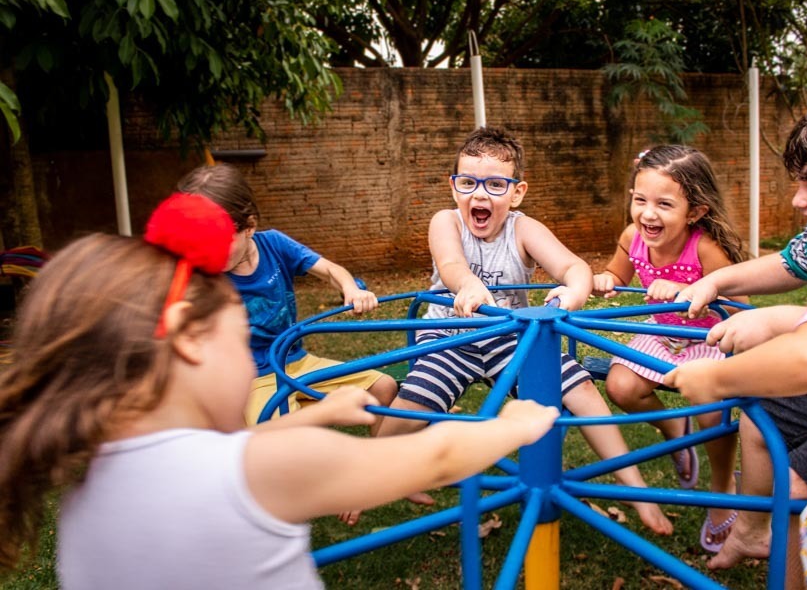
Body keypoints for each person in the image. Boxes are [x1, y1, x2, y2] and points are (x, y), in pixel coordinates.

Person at [0, 193, 561, 589]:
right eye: (237, 333)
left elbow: (232, 455)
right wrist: (512, 426)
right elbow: (435, 455)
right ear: (190, 342)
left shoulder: (89, 483)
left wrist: (318, 414)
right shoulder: (265, 470)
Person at [375, 126, 673, 535]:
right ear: (453, 187)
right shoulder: (445, 221)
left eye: (495, 185)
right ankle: (373, 474)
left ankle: (635, 490)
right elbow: (450, 265)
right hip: (451, 334)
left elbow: (574, 267)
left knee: (582, 390)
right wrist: (467, 284)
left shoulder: (522, 228)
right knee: (416, 404)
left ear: (517, 192)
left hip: (512, 338)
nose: (480, 196)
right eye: (468, 183)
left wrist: (573, 291)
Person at [664, 77, 807, 589]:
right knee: (768, 425)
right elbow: (787, 265)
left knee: (793, 483)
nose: (797, 200)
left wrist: (723, 374)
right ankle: (752, 530)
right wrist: (718, 280)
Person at [592, 145, 748, 553]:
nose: (647, 214)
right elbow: (616, 271)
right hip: (662, 334)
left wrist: (689, 291)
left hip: (707, 337)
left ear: (694, 211)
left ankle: (722, 488)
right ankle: (675, 430)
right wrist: (606, 278)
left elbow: (739, 305)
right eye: (640, 200)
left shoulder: (706, 248)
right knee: (622, 387)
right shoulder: (633, 238)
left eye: (664, 204)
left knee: (712, 411)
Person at [177, 164, 397, 430]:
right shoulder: (203, 275)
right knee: (287, 438)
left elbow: (329, 270)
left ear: (249, 227)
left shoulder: (273, 244)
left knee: (384, 387)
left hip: (297, 360)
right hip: (254, 377)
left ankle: (379, 465)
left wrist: (350, 287)